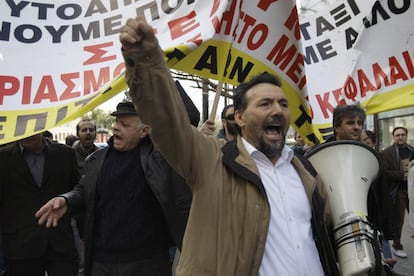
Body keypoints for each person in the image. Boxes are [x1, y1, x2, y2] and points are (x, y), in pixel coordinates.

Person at [118, 17, 338, 275]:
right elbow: (166, 121)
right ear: (240, 118)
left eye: (283, 103)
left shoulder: (307, 174)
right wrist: (147, 61)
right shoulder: (212, 160)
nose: (277, 110)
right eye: (265, 104)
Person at [36, 101, 192, 276]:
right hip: (101, 262)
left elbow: (186, 116)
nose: (116, 128)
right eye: (116, 122)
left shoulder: (160, 159)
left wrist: (149, 81)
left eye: (124, 124)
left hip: (146, 262)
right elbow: (84, 189)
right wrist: (67, 200)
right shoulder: (97, 160)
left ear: (144, 131)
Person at [323, 104, 399, 274]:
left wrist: (387, 232)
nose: (357, 127)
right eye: (350, 122)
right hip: (332, 234)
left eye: (360, 123)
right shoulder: (318, 156)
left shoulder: (370, 155)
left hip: (367, 229)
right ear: (336, 127)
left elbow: (382, 196)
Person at [0, 133, 79, 276]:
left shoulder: (65, 154)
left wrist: (65, 200)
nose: (26, 133)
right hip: (20, 247)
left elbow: (79, 191)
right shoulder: (3, 158)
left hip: (61, 243)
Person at [360, 129, 398, 267]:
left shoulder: (377, 161)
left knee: (381, 237)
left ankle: (387, 264)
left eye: (367, 142)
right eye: (361, 141)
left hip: (377, 213)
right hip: (363, 211)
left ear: (374, 144)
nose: (364, 144)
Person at [380, 126, 414, 258]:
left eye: (403, 134)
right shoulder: (387, 153)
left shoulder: (411, 150)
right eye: (397, 135)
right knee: (398, 220)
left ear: (406, 135)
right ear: (394, 137)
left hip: (412, 189)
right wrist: (401, 176)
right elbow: (385, 173)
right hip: (398, 190)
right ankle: (397, 245)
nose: (400, 137)